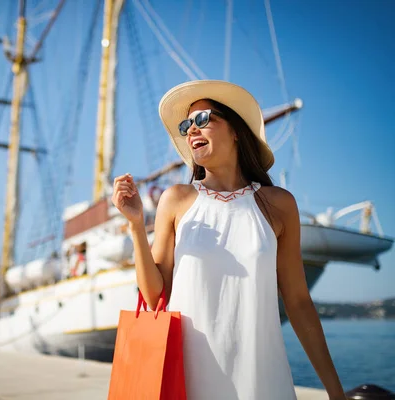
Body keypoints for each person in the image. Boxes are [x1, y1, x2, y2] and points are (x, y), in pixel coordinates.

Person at [112, 80, 346, 400]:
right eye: (186, 124)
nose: (192, 129)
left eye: (204, 119)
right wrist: (137, 226)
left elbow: (298, 302)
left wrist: (335, 390)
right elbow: (154, 297)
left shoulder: (279, 205)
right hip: (189, 380)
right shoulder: (177, 199)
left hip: (263, 381)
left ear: (236, 130)